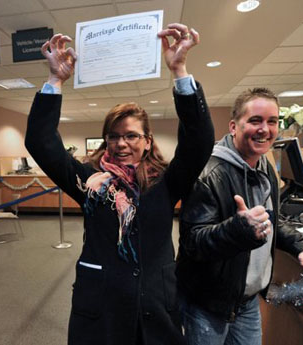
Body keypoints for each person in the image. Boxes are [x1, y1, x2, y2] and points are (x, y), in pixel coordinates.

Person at [25, 23, 214, 345]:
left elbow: (199, 141)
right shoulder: (89, 180)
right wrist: (55, 80)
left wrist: (179, 70)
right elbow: (42, 143)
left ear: (147, 140)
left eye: (131, 135)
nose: (121, 144)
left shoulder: (166, 181)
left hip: (155, 302)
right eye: (113, 136)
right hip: (102, 302)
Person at [176, 87, 303, 345]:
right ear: (233, 126)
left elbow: (271, 220)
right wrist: (237, 231)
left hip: (248, 300)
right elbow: (192, 243)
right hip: (208, 303)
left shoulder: (263, 166)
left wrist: (302, 242)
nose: (265, 129)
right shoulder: (208, 174)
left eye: (271, 121)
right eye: (255, 120)